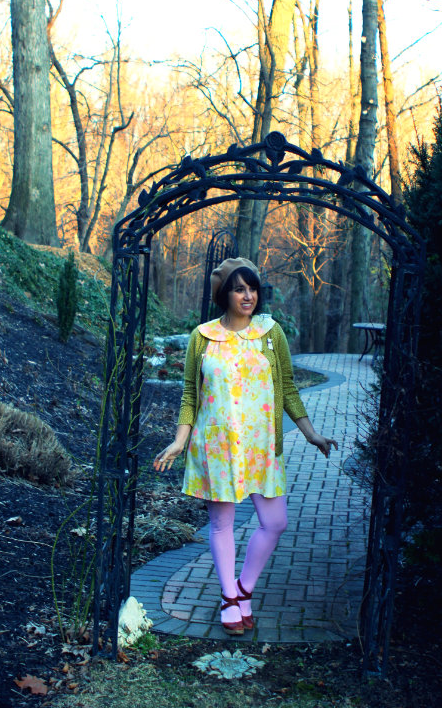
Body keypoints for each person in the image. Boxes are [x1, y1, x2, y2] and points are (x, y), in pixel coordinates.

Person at [154, 257, 337, 635]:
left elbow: (287, 387)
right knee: (222, 525)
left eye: (252, 288)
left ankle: (243, 588)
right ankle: (229, 598)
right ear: (224, 294)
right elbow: (190, 394)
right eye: (239, 289)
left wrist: (310, 433)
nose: (248, 295)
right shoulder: (202, 337)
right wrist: (179, 441)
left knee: (275, 522)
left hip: (261, 448)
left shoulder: (271, 333)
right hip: (216, 447)